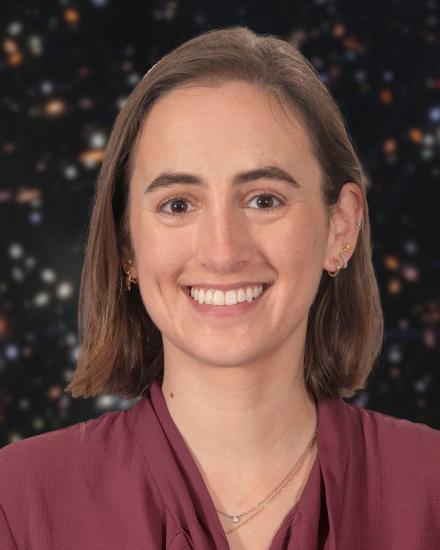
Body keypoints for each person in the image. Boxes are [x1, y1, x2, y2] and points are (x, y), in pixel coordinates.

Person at [0, 26, 439, 550]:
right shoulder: (17, 503)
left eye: (264, 199)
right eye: (178, 204)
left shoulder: (430, 489)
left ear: (340, 227)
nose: (224, 251)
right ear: (125, 244)